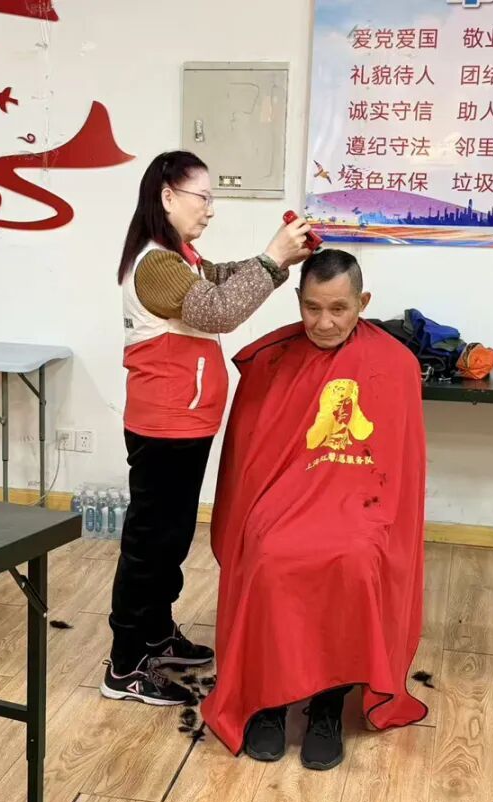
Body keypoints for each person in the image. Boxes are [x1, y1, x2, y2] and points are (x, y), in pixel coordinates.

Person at [201, 249, 427, 770]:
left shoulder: (395, 364)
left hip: (361, 503)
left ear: (363, 303)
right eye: (312, 308)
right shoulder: (273, 360)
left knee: (355, 559)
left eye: (339, 309)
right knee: (269, 554)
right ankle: (268, 700)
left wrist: (377, 520)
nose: (324, 323)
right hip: (283, 499)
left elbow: (401, 468)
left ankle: (328, 702)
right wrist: (258, 514)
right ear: (298, 300)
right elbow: (250, 461)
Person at [101, 150, 313, 706]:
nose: (211, 210)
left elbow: (228, 279)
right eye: (204, 197)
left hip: (185, 423)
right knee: (150, 543)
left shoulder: (184, 259)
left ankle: (155, 634)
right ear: (168, 197)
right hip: (163, 426)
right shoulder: (156, 265)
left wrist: (278, 257)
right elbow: (219, 310)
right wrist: (273, 257)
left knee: (170, 539)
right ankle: (125, 664)